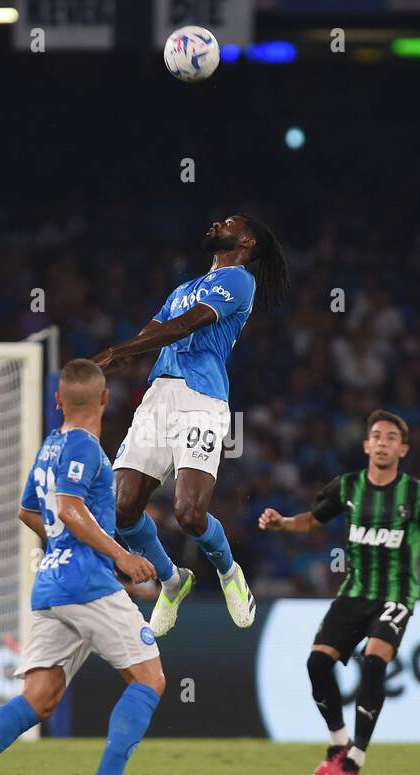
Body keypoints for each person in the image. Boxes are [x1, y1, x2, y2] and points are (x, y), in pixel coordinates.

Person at [0, 360, 165, 775]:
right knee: (149, 679)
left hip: (54, 584)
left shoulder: (51, 446)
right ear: (105, 400)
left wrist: (64, 544)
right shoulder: (83, 446)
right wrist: (120, 555)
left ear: (57, 400)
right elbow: (69, 509)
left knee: (40, 697)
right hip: (87, 583)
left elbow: (27, 511)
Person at [258, 410, 420, 775]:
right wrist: (282, 523)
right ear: (366, 445)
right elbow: (312, 520)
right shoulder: (347, 487)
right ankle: (339, 744)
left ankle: (355, 758)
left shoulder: (418, 494)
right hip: (354, 592)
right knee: (317, 664)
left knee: (374, 661)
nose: (383, 443)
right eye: (377, 436)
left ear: (402, 449)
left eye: (391, 438)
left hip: (396, 595)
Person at [92, 215, 290, 637]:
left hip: (201, 400)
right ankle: (171, 579)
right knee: (122, 509)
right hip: (158, 398)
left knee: (188, 512)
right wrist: (112, 363)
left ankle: (228, 571)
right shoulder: (182, 289)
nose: (217, 222)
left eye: (229, 222)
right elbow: (156, 330)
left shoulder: (238, 281)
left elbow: (185, 325)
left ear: (247, 240)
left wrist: (117, 349)